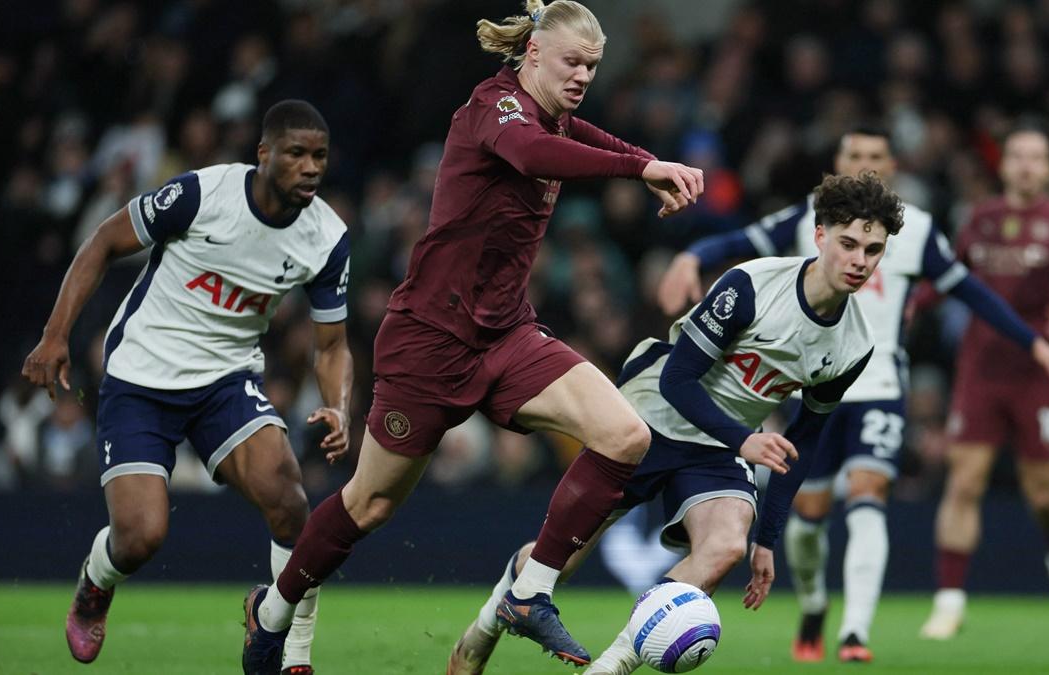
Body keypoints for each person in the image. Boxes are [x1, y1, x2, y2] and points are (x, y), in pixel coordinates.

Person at [240, 2, 705, 672]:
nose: (583, 76)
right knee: (367, 504)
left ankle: (531, 590)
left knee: (625, 436)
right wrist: (640, 170)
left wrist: (646, 159)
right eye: (573, 62)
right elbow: (534, 152)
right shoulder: (496, 108)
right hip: (430, 340)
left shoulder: (555, 116)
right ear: (534, 53)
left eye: (594, 66)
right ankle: (274, 609)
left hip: (506, 334)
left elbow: (583, 136)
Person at [450, 172, 902, 675]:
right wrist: (746, 440)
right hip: (649, 417)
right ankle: (485, 628)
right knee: (564, 558)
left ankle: (611, 667)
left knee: (728, 544)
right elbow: (679, 380)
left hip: (720, 447)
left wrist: (768, 540)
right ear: (819, 236)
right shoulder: (751, 285)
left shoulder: (855, 345)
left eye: (874, 249)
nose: (860, 260)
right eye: (848, 243)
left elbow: (803, 444)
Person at [656, 126, 1049, 662]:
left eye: (876, 156)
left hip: (877, 382)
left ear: (893, 164)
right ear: (837, 162)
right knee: (807, 517)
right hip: (813, 382)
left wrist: (1032, 342)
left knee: (868, 495)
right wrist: (693, 255)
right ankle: (813, 603)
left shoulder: (916, 229)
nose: (865, 165)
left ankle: (855, 630)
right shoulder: (813, 216)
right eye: (855, 155)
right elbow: (744, 242)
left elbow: (970, 290)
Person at [21, 100, 353, 675]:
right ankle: (95, 583)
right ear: (264, 154)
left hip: (225, 381)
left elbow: (331, 346)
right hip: (142, 375)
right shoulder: (204, 194)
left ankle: (287, 649)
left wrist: (339, 406)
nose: (310, 167)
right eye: (296, 153)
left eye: (319, 156)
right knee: (141, 537)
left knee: (290, 501)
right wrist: (56, 336)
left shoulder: (326, 238)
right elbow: (102, 241)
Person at [920, 121, 1049, 639]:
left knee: (1044, 493)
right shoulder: (978, 219)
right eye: (1017, 156)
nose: (1026, 165)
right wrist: (909, 305)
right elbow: (948, 278)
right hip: (981, 367)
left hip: (1037, 368)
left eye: (1036, 157)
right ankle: (949, 601)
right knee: (963, 481)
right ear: (1003, 165)